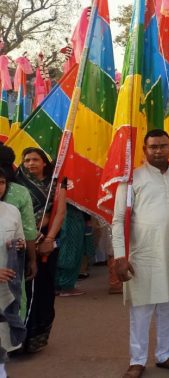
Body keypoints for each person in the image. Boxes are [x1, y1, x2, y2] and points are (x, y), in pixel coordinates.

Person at [112, 130, 169, 378]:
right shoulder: (132, 179)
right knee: (141, 309)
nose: (158, 150)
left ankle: (165, 355)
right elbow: (118, 220)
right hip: (141, 255)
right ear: (144, 150)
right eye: (153, 147)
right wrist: (120, 257)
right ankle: (137, 360)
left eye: (163, 146)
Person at [15, 147, 67, 354]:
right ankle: (19, 338)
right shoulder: (17, 183)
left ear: (44, 162)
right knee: (25, 289)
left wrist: (49, 238)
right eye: (26, 160)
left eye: (35, 159)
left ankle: (38, 335)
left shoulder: (57, 182)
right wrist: (32, 237)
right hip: (24, 241)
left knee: (44, 289)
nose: (30, 164)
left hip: (48, 241)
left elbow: (60, 212)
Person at [0, 146, 37, 309]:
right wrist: (32, 260)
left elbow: (24, 234)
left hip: (11, 266)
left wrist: (21, 247)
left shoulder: (13, 208)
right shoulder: (20, 192)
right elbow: (30, 232)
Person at [0, 168, 26, 378]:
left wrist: (17, 245)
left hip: (5, 288)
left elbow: (20, 240)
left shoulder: (11, 211)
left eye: (1, 182)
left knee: (2, 341)